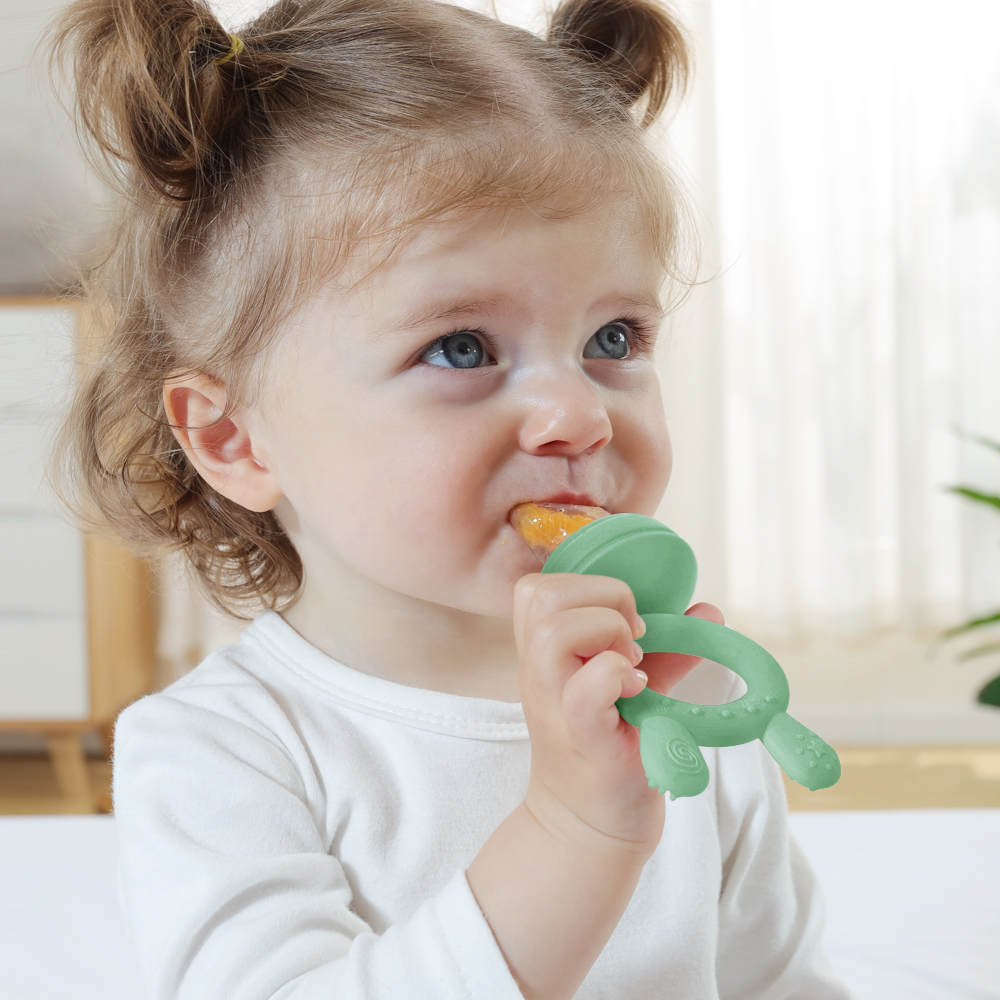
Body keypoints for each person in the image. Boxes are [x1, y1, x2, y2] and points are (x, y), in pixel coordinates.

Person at [51, 0, 854, 997]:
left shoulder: (686, 691)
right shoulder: (222, 749)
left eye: (611, 339)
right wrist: (572, 829)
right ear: (233, 438)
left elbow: (778, 980)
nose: (578, 415)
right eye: (462, 348)